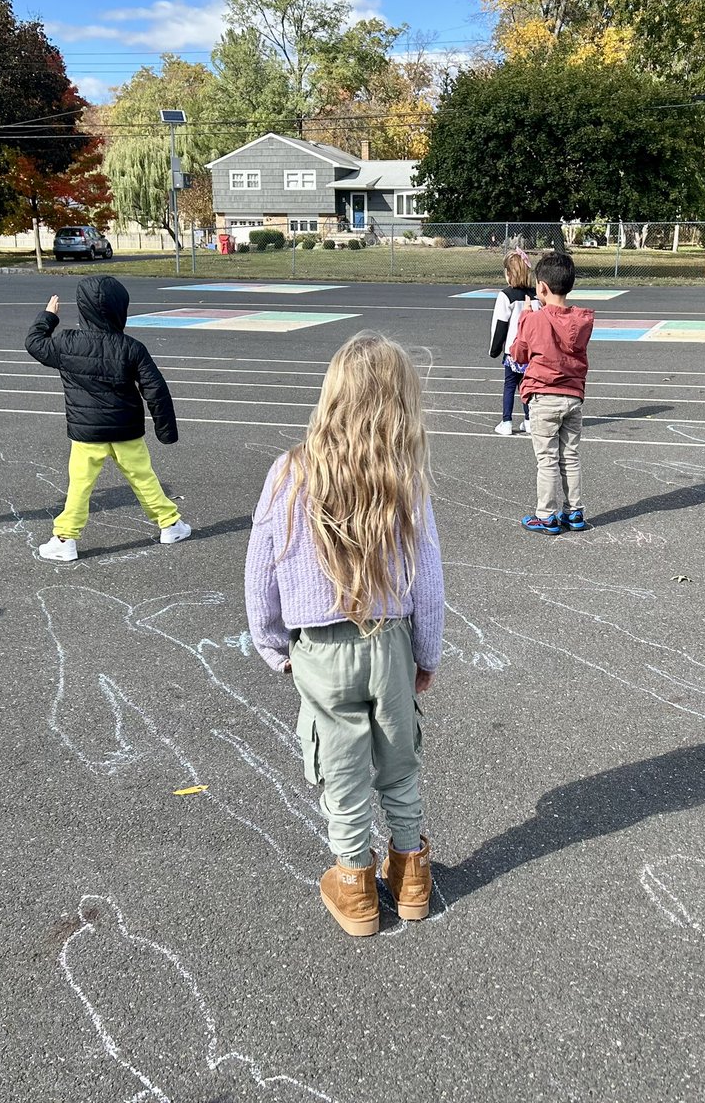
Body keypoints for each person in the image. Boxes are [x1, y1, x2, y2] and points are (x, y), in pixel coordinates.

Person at [244, 333, 445, 937]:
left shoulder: (290, 471)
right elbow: (429, 578)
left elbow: (261, 568)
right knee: (399, 759)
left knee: (341, 764)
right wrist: (426, 654)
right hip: (390, 642)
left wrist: (272, 645)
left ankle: (355, 883)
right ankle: (410, 873)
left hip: (322, 648)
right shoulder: (404, 478)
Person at [25, 276, 190, 562]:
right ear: (120, 309)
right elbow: (155, 389)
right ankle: (170, 524)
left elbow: (34, 343)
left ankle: (65, 539)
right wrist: (166, 430)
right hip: (126, 429)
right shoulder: (131, 347)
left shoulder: (66, 342)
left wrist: (48, 316)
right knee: (143, 478)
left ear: (83, 308)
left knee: (80, 485)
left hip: (86, 432)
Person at [510, 252, 594, 534]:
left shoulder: (533, 319)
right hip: (573, 395)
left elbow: (519, 353)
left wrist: (525, 317)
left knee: (546, 459)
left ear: (542, 287)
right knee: (570, 456)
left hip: (544, 396)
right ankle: (574, 511)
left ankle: (546, 515)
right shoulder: (581, 321)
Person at [487, 250, 538, 435]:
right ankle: (529, 420)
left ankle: (507, 421)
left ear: (509, 273)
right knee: (527, 386)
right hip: (532, 351)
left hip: (513, 350)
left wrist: (494, 349)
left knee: (509, 385)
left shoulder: (506, 295)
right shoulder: (535, 296)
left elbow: (500, 324)